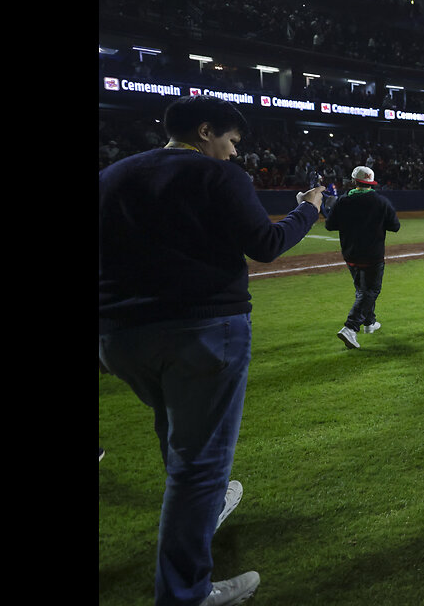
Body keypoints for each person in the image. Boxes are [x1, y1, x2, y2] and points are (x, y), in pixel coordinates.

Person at [99, 95, 324, 606]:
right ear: (205, 131)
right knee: (200, 465)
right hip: (202, 330)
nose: (231, 153)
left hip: (120, 336)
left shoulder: (113, 176)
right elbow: (265, 244)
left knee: (174, 430)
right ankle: (186, 594)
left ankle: (203, 509)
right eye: (229, 141)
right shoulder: (217, 176)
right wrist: (306, 210)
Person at [327, 166, 401, 348]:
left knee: (362, 290)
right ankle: (350, 328)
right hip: (373, 255)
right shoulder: (381, 202)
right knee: (370, 291)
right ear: (371, 182)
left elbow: (330, 225)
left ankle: (369, 322)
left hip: (351, 253)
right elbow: (395, 226)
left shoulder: (343, 201)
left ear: (354, 181)